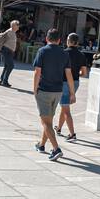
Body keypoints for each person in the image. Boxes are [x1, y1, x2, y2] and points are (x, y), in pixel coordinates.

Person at [30, 28, 72, 161]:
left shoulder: (42, 51)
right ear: (59, 40)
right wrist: (72, 92)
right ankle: (42, 145)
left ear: (46, 39)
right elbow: (68, 74)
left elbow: (37, 71)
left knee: (46, 121)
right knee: (48, 120)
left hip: (44, 90)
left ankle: (56, 149)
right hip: (58, 91)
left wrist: (34, 88)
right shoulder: (64, 53)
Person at [57, 32, 87, 142]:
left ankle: (72, 134)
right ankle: (59, 128)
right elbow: (84, 73)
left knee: (66, 109)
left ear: (68, 41)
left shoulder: (63, 53)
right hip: (75, 82)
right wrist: (76, 74)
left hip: (64, 82)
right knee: (65, 106)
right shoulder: (82, 55)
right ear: (77, 43)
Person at [0, 19, 21, 87]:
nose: (18, 26)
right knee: (11, 66)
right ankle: (4, 81)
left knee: (6, 66)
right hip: (7, 50)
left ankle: (2, 80)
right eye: (17, 25)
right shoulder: (10, 31)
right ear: (14, 26)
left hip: (9, 51)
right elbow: (1, 37)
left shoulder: (12, 32)